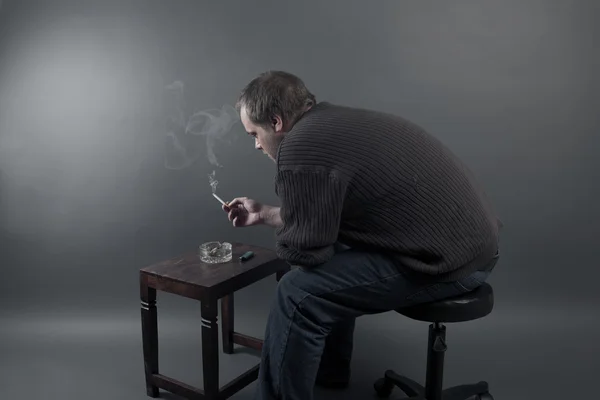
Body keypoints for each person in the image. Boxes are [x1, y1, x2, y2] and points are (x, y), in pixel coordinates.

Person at [222, 71, 501, 400]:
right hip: (473, 244)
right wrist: (265, 214)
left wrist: (295, 232)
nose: (256, 144)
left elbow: (304, 252)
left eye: (254, 133)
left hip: (452, 263)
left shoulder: (300, 148)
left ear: (277, 121)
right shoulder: (329, 121)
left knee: (296, 294)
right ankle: (330, 374)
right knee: (333, 252)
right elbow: (325, 217)